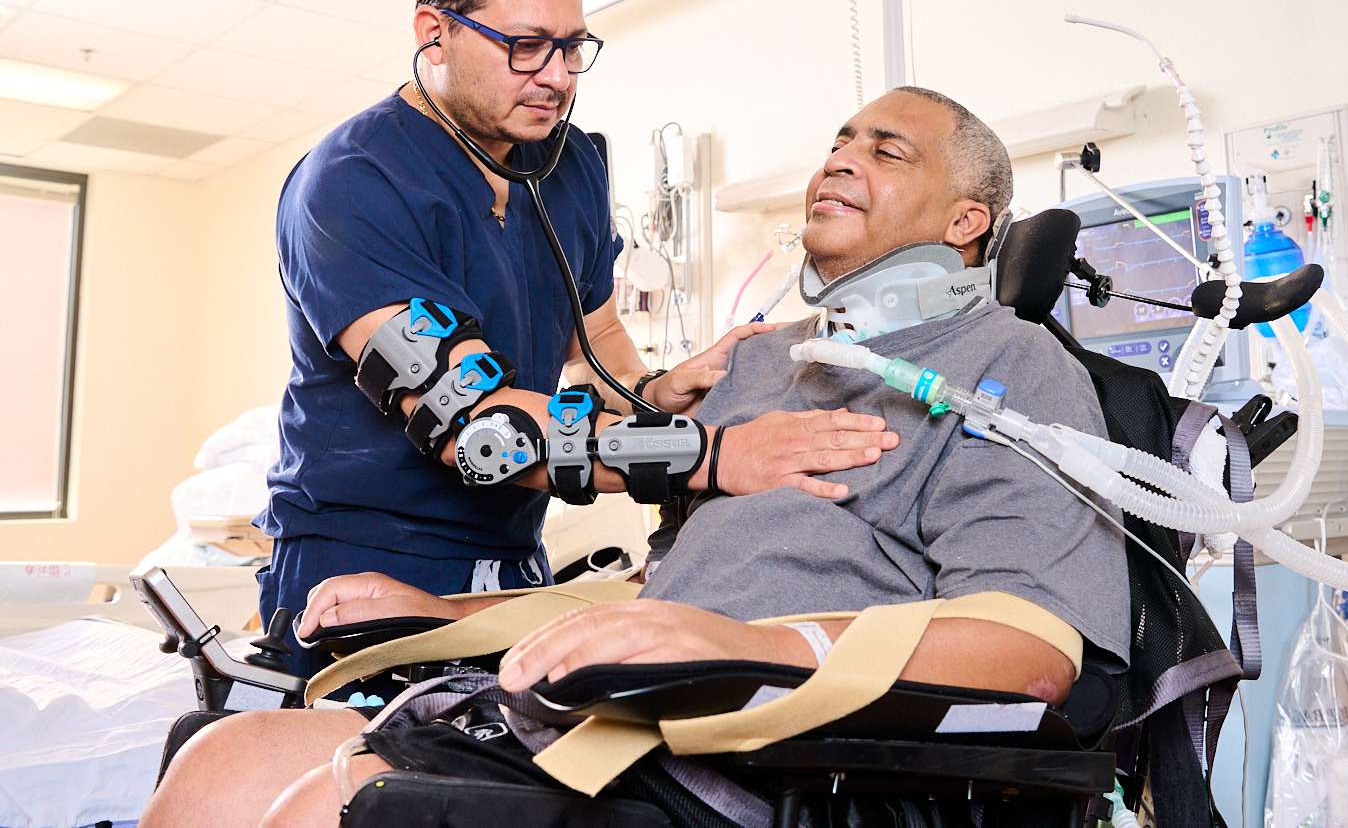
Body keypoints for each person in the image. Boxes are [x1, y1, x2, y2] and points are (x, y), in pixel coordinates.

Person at [147, 87, 1129, 828]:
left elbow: (1029, 652)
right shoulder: (762, 361)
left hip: (766, 755)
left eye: (886, 149)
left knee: (334, 802)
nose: (839, 158)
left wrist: (743, 645)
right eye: (837, 140)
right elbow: (663, 592)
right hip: (610, 718)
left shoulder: (1010, 365)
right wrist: (451, 614)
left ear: (964, 222)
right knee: (225, 762)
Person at [259, 0, 899, 679]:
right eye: (526, 46)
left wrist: (665, 390)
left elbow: (598, 358)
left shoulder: (568, 166)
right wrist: (718, 452)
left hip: (513, 557)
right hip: (364, 561)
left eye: (572, 47)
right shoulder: (352, 184)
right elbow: (477, 429)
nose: (558, 76)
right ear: (435, 31)